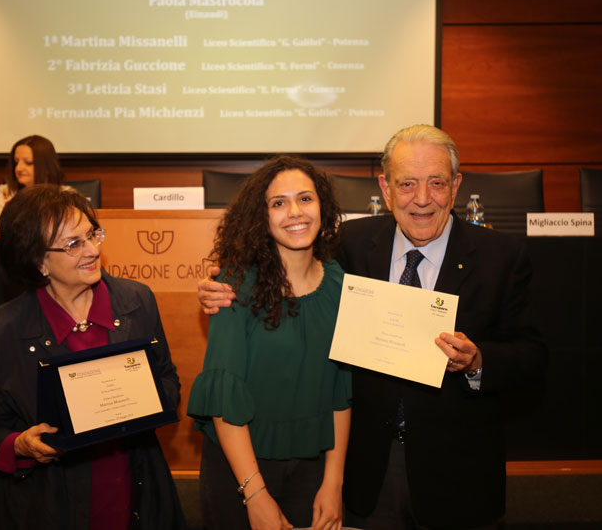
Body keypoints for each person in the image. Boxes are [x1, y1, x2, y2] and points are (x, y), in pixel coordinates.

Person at [198, 125, 548, 529]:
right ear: (385, 188)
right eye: (407, 183)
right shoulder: (349, 245)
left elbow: (533, 355)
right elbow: (282, 269)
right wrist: (219, 286)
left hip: (456, 479)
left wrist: (478, 362)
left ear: (455, 186)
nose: (421, 199)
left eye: (436, 183)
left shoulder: (502, 257)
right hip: (365, 476)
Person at [0, 185, 186, 529]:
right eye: (73, 244)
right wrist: (20, 445)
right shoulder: (2, 332)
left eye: (92, 235)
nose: (92, 250)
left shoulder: (136, 301)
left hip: (138, 497)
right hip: (43, 507)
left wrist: (145, 399)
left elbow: (168, 379)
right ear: (38, 261)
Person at [187, 156, 351, 530]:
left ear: (322, 206)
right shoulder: (233, 285)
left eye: (305, 199)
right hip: (241, 471)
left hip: (314, 471)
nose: (295, 212)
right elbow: (224, 401)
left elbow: (341, 392)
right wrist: (255, 494)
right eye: (278, 203)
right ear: (261, 217)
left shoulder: (342, 285)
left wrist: (333, 482)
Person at [0, 134, 66, 215]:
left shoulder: (66, 196)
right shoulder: (6, 194)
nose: (18, 168)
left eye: (28, 163)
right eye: (16, 162)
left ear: (47, 166)